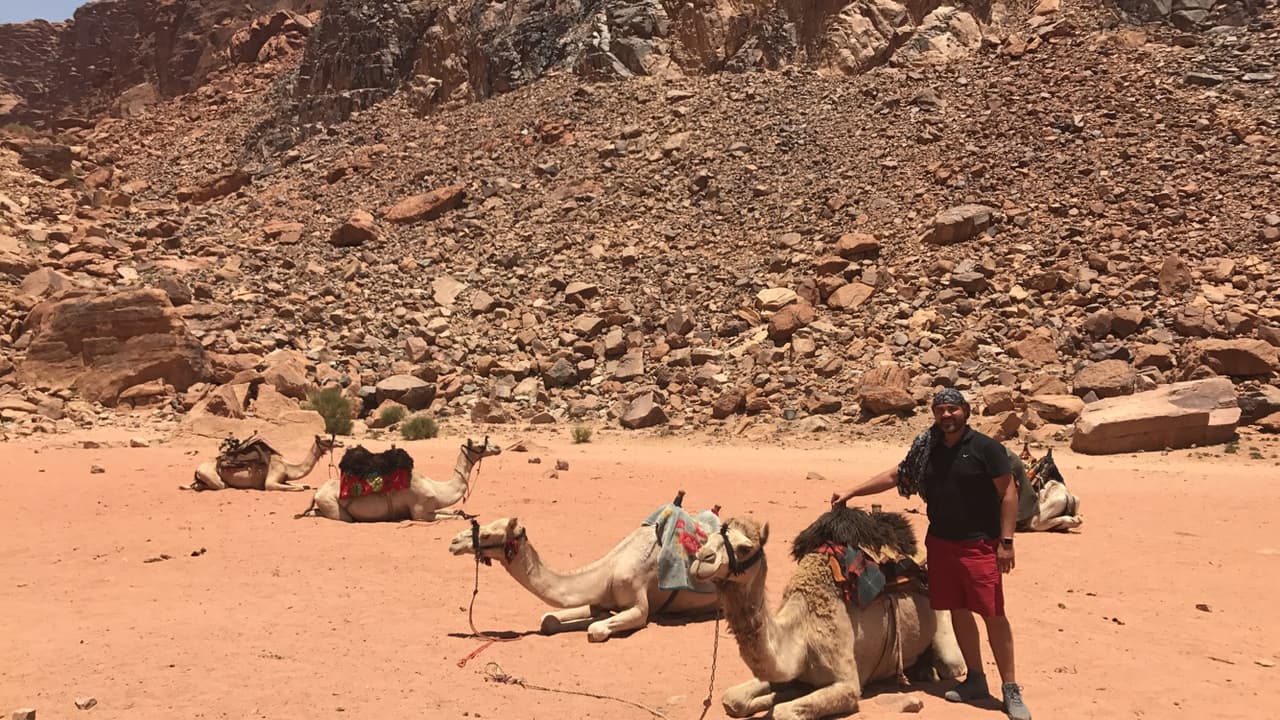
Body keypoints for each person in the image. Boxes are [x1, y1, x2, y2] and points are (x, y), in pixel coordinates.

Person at [830, 387, 1032, 720]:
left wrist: (1006, 542)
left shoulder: (986, 448)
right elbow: (898, 475)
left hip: (979, 544)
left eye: (952, 409)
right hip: (940, 543)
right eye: (940, 410)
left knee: (993, 613)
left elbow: (1009, 492)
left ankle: (1010, 688)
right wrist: (853, 490)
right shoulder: (928, 449)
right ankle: (976, 678)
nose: (946, 416)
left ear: (965, 411)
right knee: (957, 609)